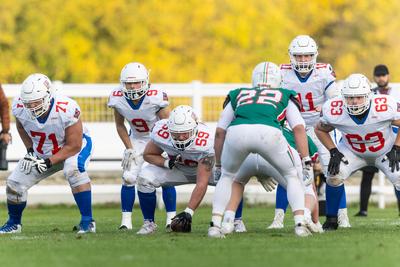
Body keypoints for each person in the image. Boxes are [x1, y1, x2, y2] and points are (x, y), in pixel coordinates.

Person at [208, 62, 314, 238]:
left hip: (237, 132)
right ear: (278, 79)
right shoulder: (284, 94)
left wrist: (218, 164)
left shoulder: (238, 93)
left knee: (227, 177)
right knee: (291, 176)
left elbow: (220, 131)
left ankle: (215, 225)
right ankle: (300, 224)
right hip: (269, 133)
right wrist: (306, 160)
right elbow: (298, 128)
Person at [269, 35, 350, 230]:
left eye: (307, 56)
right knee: (288, 170)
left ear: (314, 56)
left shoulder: (324, 73)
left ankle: (342, 216)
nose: (303, 60)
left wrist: (333, 125)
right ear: (291, 56)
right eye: (299, 56)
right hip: (293, 126)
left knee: (334, 171)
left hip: (321, 126)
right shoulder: (281, 73)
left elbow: (335, 102)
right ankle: (278, 218)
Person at [0, 73, 95, 234]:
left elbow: (74, 145)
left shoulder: (66, 108)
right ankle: (14, 223)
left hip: (73, 148)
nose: (32, 107)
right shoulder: (20, 107)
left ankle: (87, 222)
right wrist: (30, 151)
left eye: (36, 102)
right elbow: (21, 127)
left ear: (48, 96)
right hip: (42, 151)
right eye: (28, 103)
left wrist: (49, 162)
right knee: (15, 184)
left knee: (74, 170)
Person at [315, 73, 400, 230]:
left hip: (384, 151)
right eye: (350, 97)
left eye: (359, 97)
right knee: (333, 176)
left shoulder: (383, 105)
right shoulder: (334, 109)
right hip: (352, 151)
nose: (354, 102)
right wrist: (333, 150)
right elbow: (320, 129)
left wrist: (397, 147)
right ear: (343, 97)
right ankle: (332, 220)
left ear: (368, 95)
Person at [108, 62, 176, 231]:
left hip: (158, 138)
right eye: (128, 83)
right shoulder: (117, 98)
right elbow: (120, 125)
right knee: (129, 177)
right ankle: (126, 221)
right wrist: (129, 147)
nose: (132, 86)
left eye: (136, 82)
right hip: (137, 139)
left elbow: (167, 124)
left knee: (166, 178)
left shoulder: (155, 97)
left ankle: (171, 218)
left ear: (145, 81)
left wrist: (167, 147)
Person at [136, 105, 217, 234]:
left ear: (195, 128)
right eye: (176, 133)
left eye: (185, 133)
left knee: (231, 179)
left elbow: (202, 183)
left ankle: (234, 221)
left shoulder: (207, 141)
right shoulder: (161, 132)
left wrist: (188, 212)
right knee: (145, 177)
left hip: (204, 170)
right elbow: (148, 155)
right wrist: (166, 163)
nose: (180, 137)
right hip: (178, 169)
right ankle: (148, 223)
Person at [355, 64, 400, 216]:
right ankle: (363, 209)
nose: (381, 78)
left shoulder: (397, 91)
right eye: (378, 75)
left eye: (383, 75)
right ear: (374, 77)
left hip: (394, 136)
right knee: (367, 174)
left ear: (388, 76)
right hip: (375, 137)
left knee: (396, 173)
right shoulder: (369, 93)